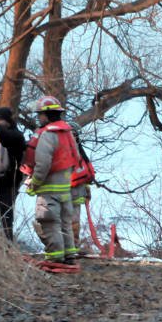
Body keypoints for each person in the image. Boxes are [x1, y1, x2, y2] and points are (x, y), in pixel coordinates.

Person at [20, 95, 80, 267]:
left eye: (40, 115)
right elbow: (75, 158)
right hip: (65, 190)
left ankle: (55, 258)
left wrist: (35, 182)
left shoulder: (47, 135)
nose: (38, 118)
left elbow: (43, 163)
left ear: (46, 115)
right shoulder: (67, 133)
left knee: (49, 222)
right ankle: (69, 256)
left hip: (48, 190)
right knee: (65, 223)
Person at [0, 107, 26, 241]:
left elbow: (6, 138)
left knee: (6, 215)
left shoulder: (16, 136)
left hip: (9, 182)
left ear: (8, 121)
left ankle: (8, 244)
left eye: (0, 119)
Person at [69, 122, 96, 256]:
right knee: (63, 220)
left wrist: (86, 188)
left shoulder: (80, 152)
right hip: (63, 192)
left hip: (77, 192)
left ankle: (73, 245)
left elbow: (86, 172)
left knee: (74, 221)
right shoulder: (61, 151)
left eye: (74, 134)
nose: (72, 137)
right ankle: (65, 246)